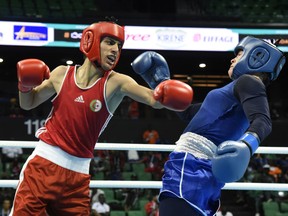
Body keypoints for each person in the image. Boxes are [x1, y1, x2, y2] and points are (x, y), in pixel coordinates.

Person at [10, 19, 193, 216]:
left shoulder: (116, 82)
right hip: (43, 165)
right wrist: (24, 86)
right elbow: (27, 103)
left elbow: (155, 100)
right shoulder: (61, 74)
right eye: (110, 42)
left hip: (77, 176)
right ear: (91, 41)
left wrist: (163, 83)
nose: (115, 50)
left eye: (119, 45)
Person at [132, 36, 286, 216]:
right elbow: (189, 113)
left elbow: (263, 121)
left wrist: (246, 145)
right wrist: (161, 83)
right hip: (198, 167)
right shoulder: (234, 89)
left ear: (257, 56)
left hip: (193, 165)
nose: (233, 59)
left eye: (239, 54)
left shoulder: (249, 82)